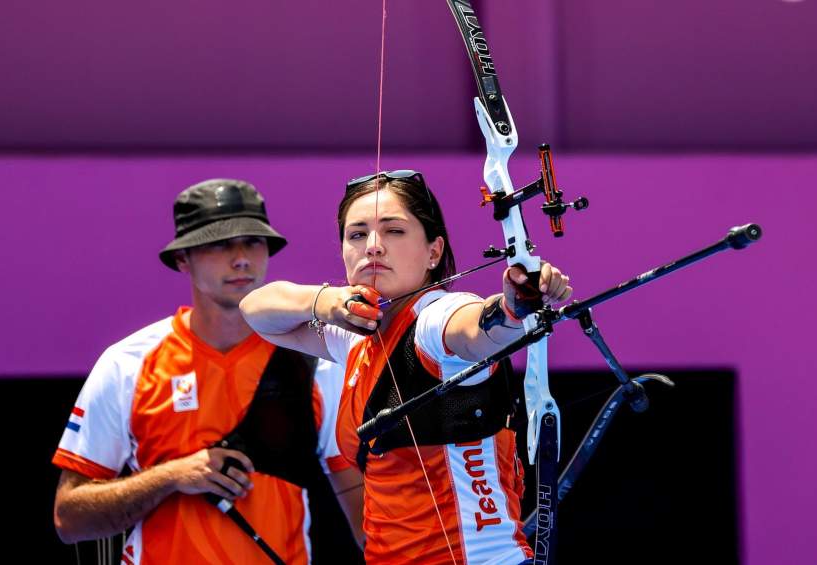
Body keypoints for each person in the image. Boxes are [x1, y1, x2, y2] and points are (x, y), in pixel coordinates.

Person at [239, 170, 573, 564]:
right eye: (357, 234)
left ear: (434, 251)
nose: (373, 247)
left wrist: (512, 307)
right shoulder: (356, 335)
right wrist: (326, 303)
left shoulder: (434, 319)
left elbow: (474, 331)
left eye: (394, 231)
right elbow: (256, 310)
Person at [52, 179, 364, 564]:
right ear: (183, 259)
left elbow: (362, 513)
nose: (241, 258)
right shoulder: (127, 364)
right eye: (219, 243)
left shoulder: (315, 362)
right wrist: (171, 476)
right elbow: (69, 518)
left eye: (253, 241)